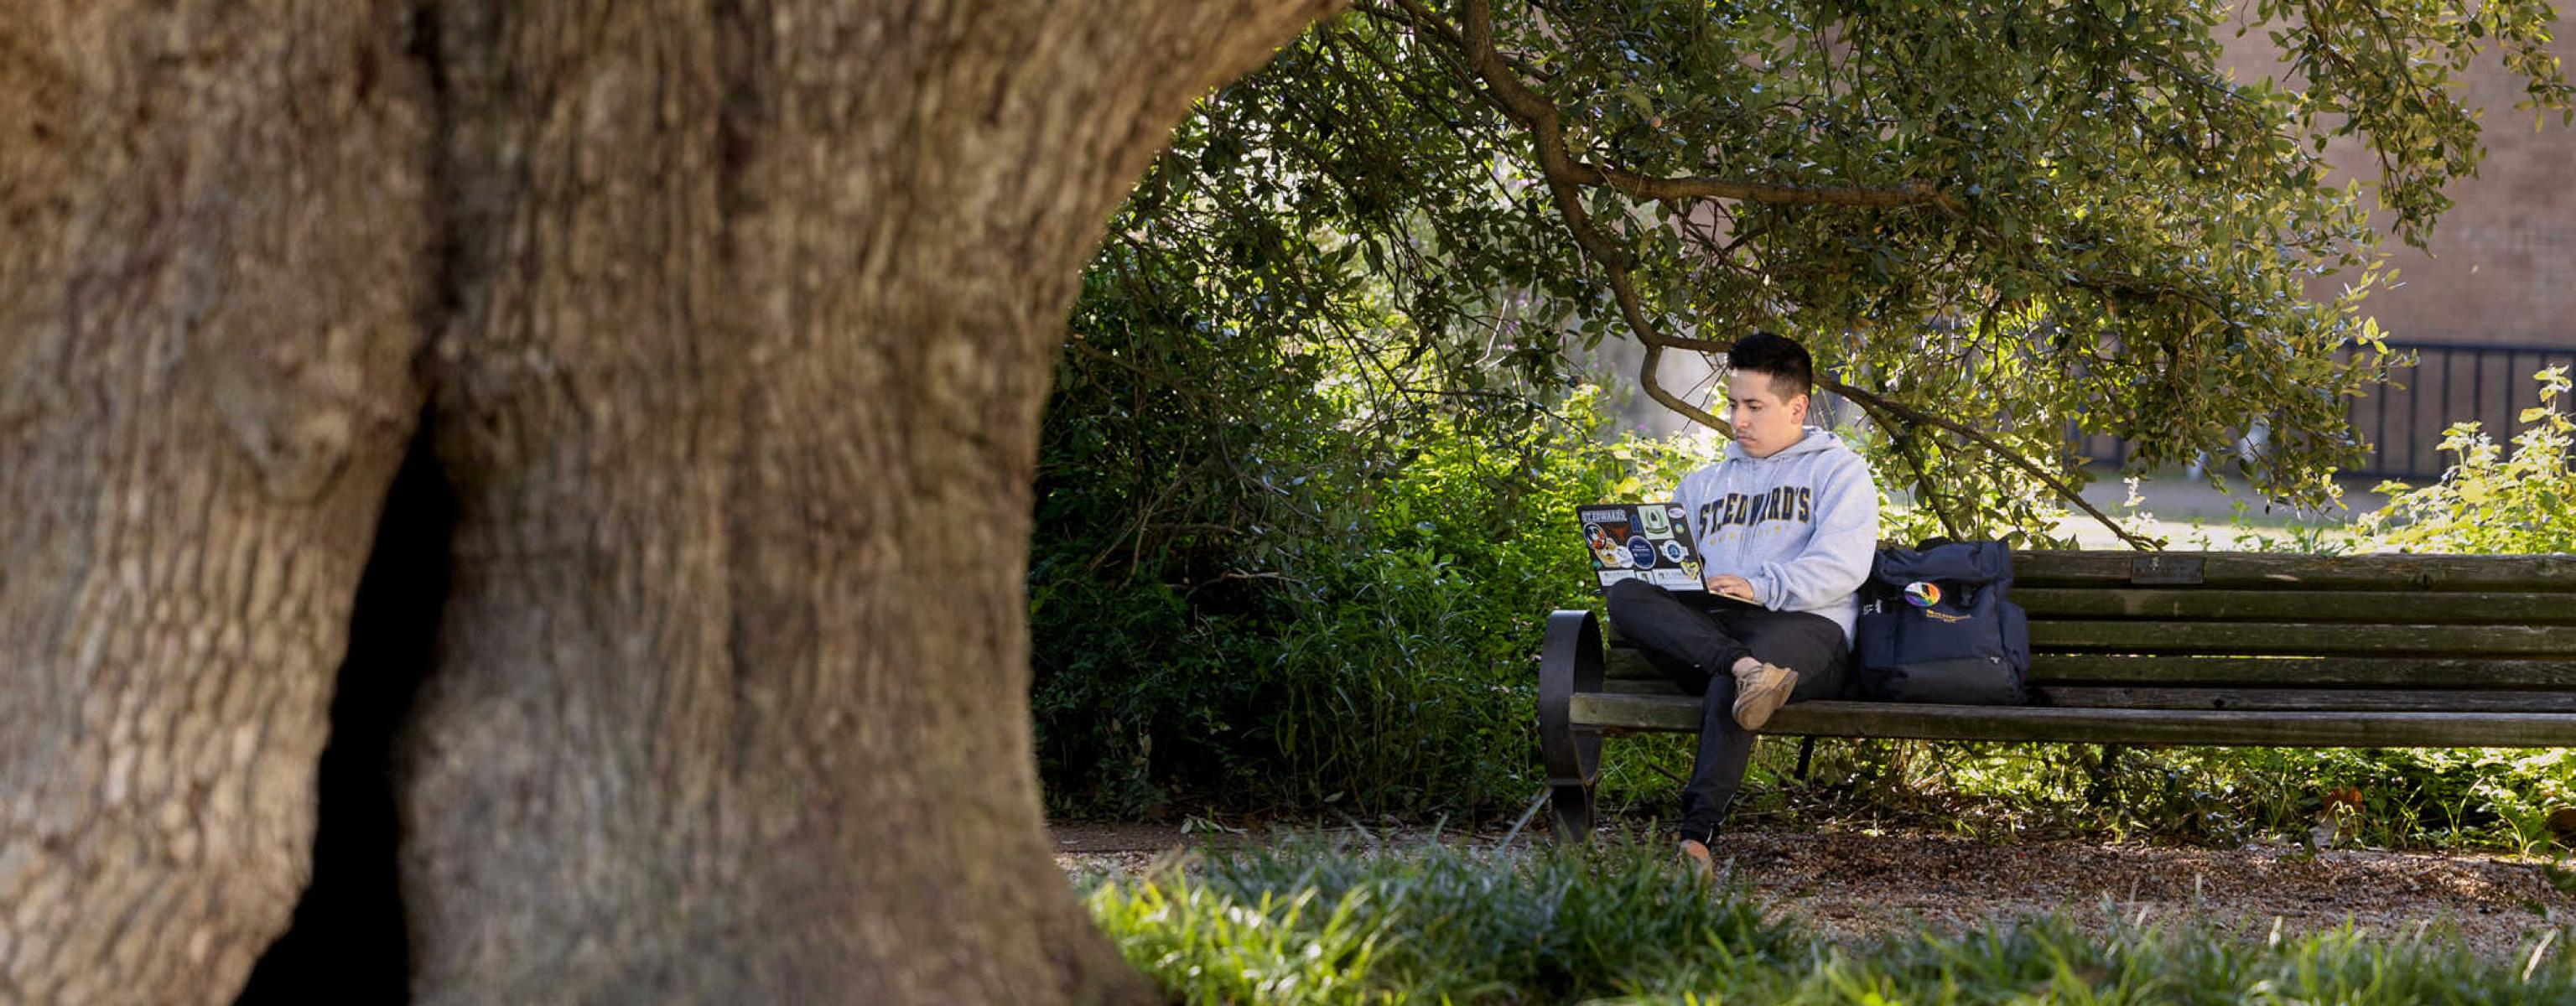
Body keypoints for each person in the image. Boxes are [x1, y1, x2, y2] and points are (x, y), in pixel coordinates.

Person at [1603, 331, 1878, 876]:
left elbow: (1844, 566)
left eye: (1755, 406)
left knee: (1736, 665)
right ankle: (1748, 670)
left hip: (1804, 627)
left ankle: (1695, 843)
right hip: (1720, 636)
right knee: (1629, 592)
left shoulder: (1839, 473)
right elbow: (1676, 571)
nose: (1738, 420)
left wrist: (1761, 586)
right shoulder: (1704, 484)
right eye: (1733, 404)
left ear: (1797, 406)